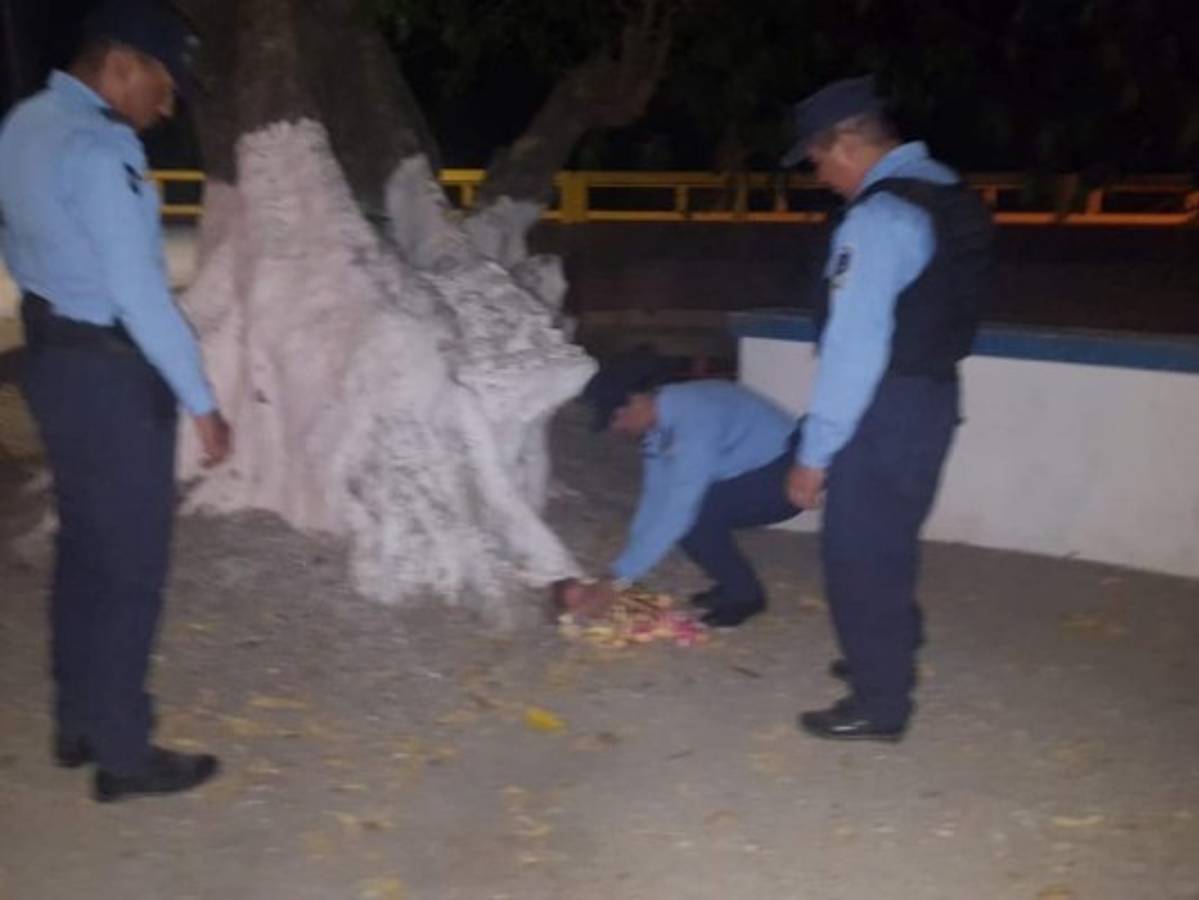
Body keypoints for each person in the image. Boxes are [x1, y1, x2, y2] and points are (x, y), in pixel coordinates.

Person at [0, 1, 232, 800]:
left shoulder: (23, 125)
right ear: (122, 65)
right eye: (162, 86)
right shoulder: (104, 149)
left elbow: (18, 243)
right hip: (109, 380)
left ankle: (77, 722)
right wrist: (201, 401)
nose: (164, 108)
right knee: (130, 567)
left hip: (51, 362)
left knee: (85, 551)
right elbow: (140, 294)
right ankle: (124, 755)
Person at [778, 76, 993, 742]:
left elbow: (854, 348)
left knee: (858, 557)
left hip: (883, 405)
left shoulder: (878, 219)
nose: (820, 177)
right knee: (888, 542)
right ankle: (887, 653)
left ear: (845, 146)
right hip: (930, 398)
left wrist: (814, 454)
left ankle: (879, 705)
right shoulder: (944, 191)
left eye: (817, 161)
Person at [569, 351, 803, 628]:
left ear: (637, 400)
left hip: (788, 478)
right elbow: (655, 498)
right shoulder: (659, 429)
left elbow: (681, 505)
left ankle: (745, 596)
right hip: (753, 473)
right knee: (686, 515)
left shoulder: (695, 415)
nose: (617, 427)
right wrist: (623, 572)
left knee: (695, 515)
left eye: (617, 417)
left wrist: (620, 578)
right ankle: (731, 583)